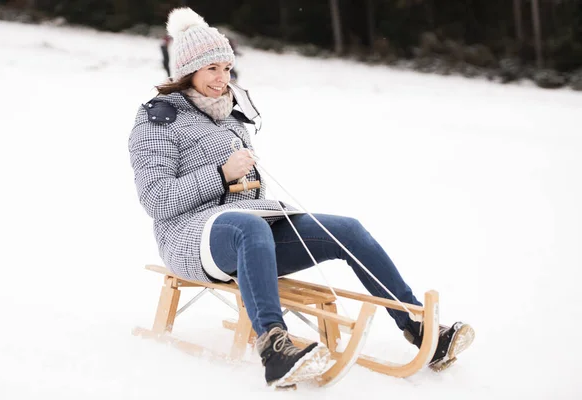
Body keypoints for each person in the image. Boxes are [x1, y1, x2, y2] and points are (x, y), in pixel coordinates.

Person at [129, 7, 474, 388]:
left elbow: (247, 194)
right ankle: (275, 348)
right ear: (187, 71)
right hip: (188, 239)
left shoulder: (231, 114)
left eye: (227, 68)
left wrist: (249, 187)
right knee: (248, 227)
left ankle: (418, 327)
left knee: (347, 230)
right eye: (212, 69)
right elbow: (156, 200)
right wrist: (222, 175)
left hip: (249, 229)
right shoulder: (158, 119)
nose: (222, 78)